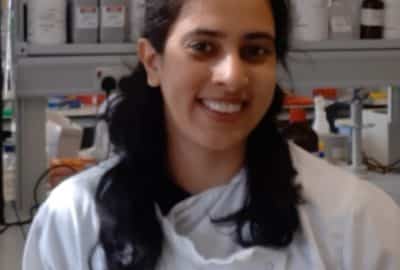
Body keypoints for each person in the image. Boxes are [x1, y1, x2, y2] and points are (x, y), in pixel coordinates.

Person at [23, 0, 400, 269]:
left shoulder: (354, 220)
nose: (233, 76)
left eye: (255, 51)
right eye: (202, 47)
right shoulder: (75, 220)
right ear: (153, 62)